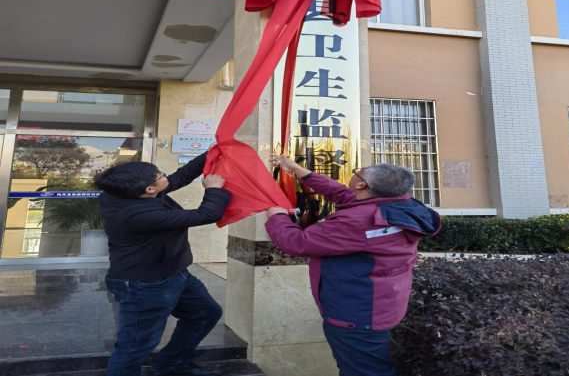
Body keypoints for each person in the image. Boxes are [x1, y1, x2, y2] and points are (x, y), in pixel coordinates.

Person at [265, 155, 441, 376]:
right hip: (381, 303)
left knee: (364, 371)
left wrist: (277, 217)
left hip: (358, 315)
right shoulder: (401, 205)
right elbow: (343, 194)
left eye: (358, 171)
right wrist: (299, 170)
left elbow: (298, 242)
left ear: (361, 184)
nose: (355, 174)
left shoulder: (359, 222)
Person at [94, 146, 230, 376]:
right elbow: (205, 215)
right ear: (149, 189)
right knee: (135, 346)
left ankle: (172, 365)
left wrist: (213, 152)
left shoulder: (128, 192)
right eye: (160, 176)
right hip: (144, 284)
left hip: (174, 272)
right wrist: (214, 189)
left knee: (205, 313)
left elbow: (181, 177)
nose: (165, 177)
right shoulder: (137, 214)